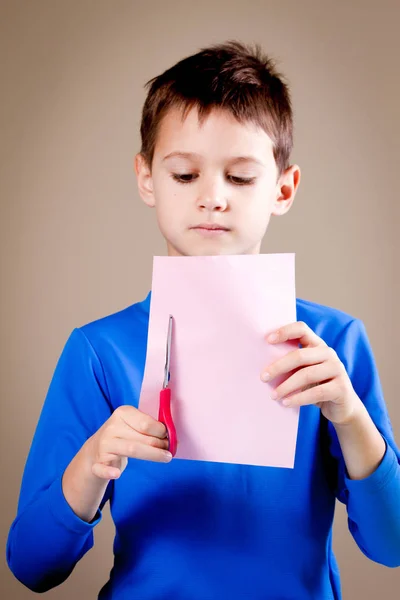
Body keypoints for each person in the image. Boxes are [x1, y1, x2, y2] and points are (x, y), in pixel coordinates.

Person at [6, 40, 400, 600]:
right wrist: (94, 461)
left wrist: (351, 417)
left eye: (240, 178)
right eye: (185, 175)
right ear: (147, 179)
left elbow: (393, 545)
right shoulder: (99, 350)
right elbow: (31, 565)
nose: (212, 198)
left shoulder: (333, 346)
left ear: (283, 189)